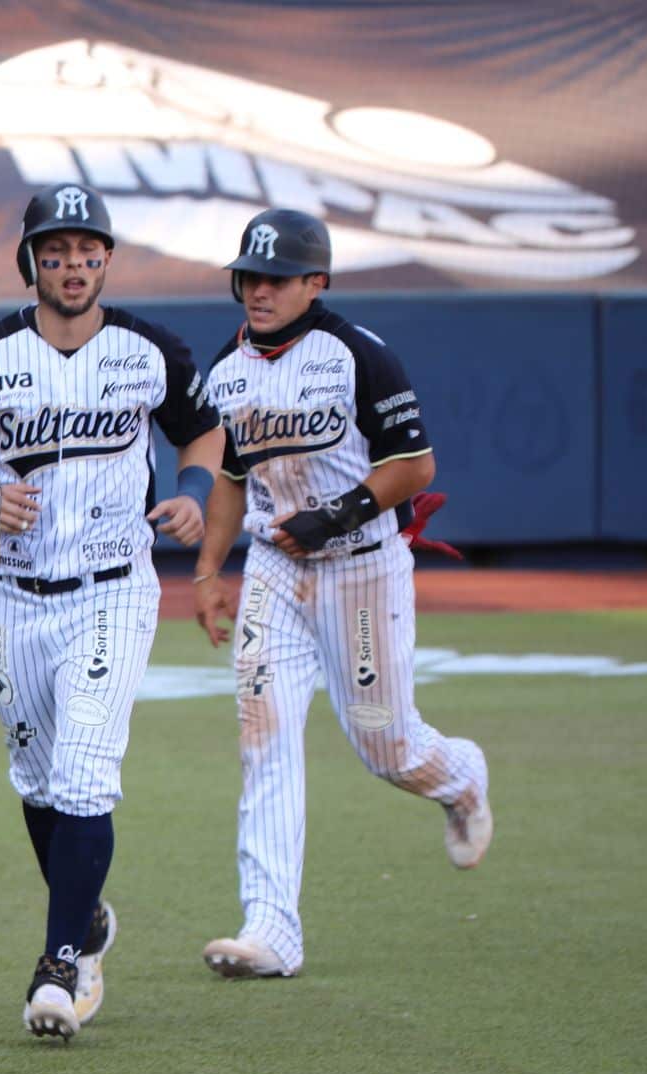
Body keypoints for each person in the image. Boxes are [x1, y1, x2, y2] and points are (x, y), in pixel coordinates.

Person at [0, 183, 224, 1039]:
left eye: (86, 250)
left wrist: (195, 492)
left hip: (113, 586)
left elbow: (202, 430)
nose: (71, 265)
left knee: (85, 773)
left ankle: (61, 962)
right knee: (35, 781)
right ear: (30, 261)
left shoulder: (148, 349)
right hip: (18, 596)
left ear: (106, 258)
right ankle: (86, 915)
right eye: (54, 252)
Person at [190, 207, 492, 980]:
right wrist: (207, 570)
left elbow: (414, 466)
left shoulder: (357, 354)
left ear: (315, 281)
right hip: (275, 573)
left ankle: (459, 777)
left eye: (278, 278)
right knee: (263, 736)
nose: (259, 290)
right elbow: (230, 477)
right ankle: (271, 929)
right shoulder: (226, 367)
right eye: (249, 276)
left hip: (360, 564)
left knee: (385, 745)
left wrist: (334, 515)